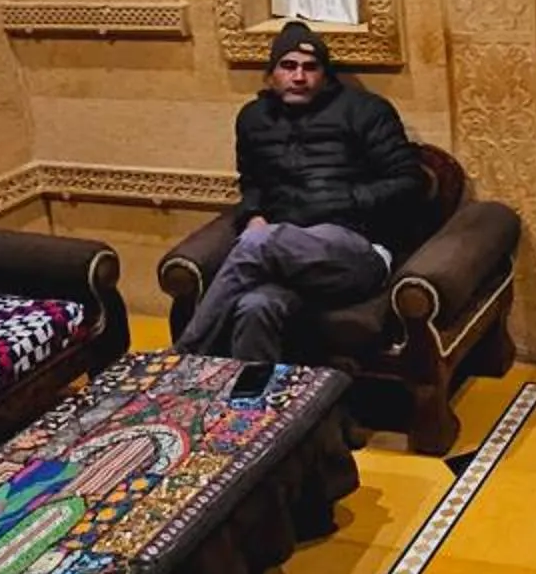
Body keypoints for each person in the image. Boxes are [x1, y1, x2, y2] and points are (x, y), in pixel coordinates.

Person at [180, 20, 425, 362]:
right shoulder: (253, 119)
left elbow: (410, 182)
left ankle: (183, 360)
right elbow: (251, 182)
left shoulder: (365, 110)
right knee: (255, 307)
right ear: (271, 73)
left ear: (325, 75)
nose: (299, 77)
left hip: (355, 251)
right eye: (288, 66)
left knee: (259, 242)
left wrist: (345, 200)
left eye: (310, 68)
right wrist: (253, 215)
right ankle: (249, 409)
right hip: (285, 256)